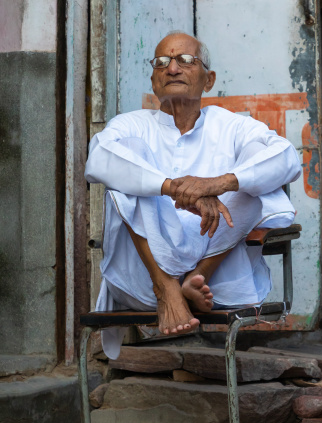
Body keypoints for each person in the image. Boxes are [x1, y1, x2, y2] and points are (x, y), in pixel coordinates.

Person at [85, 31, 301, 358]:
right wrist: (174, 187)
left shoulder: (232, 127)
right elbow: (98, 159)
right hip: (143, 281)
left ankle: (197, 275)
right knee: (124, 163)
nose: (172, 68)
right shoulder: (132, 126)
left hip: (216, 286)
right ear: (154, 80)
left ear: (208, 79)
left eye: (185, 60)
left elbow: (286, 158)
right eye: (162, 62)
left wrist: (217, 184)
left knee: (255, 182)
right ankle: (166, 285)